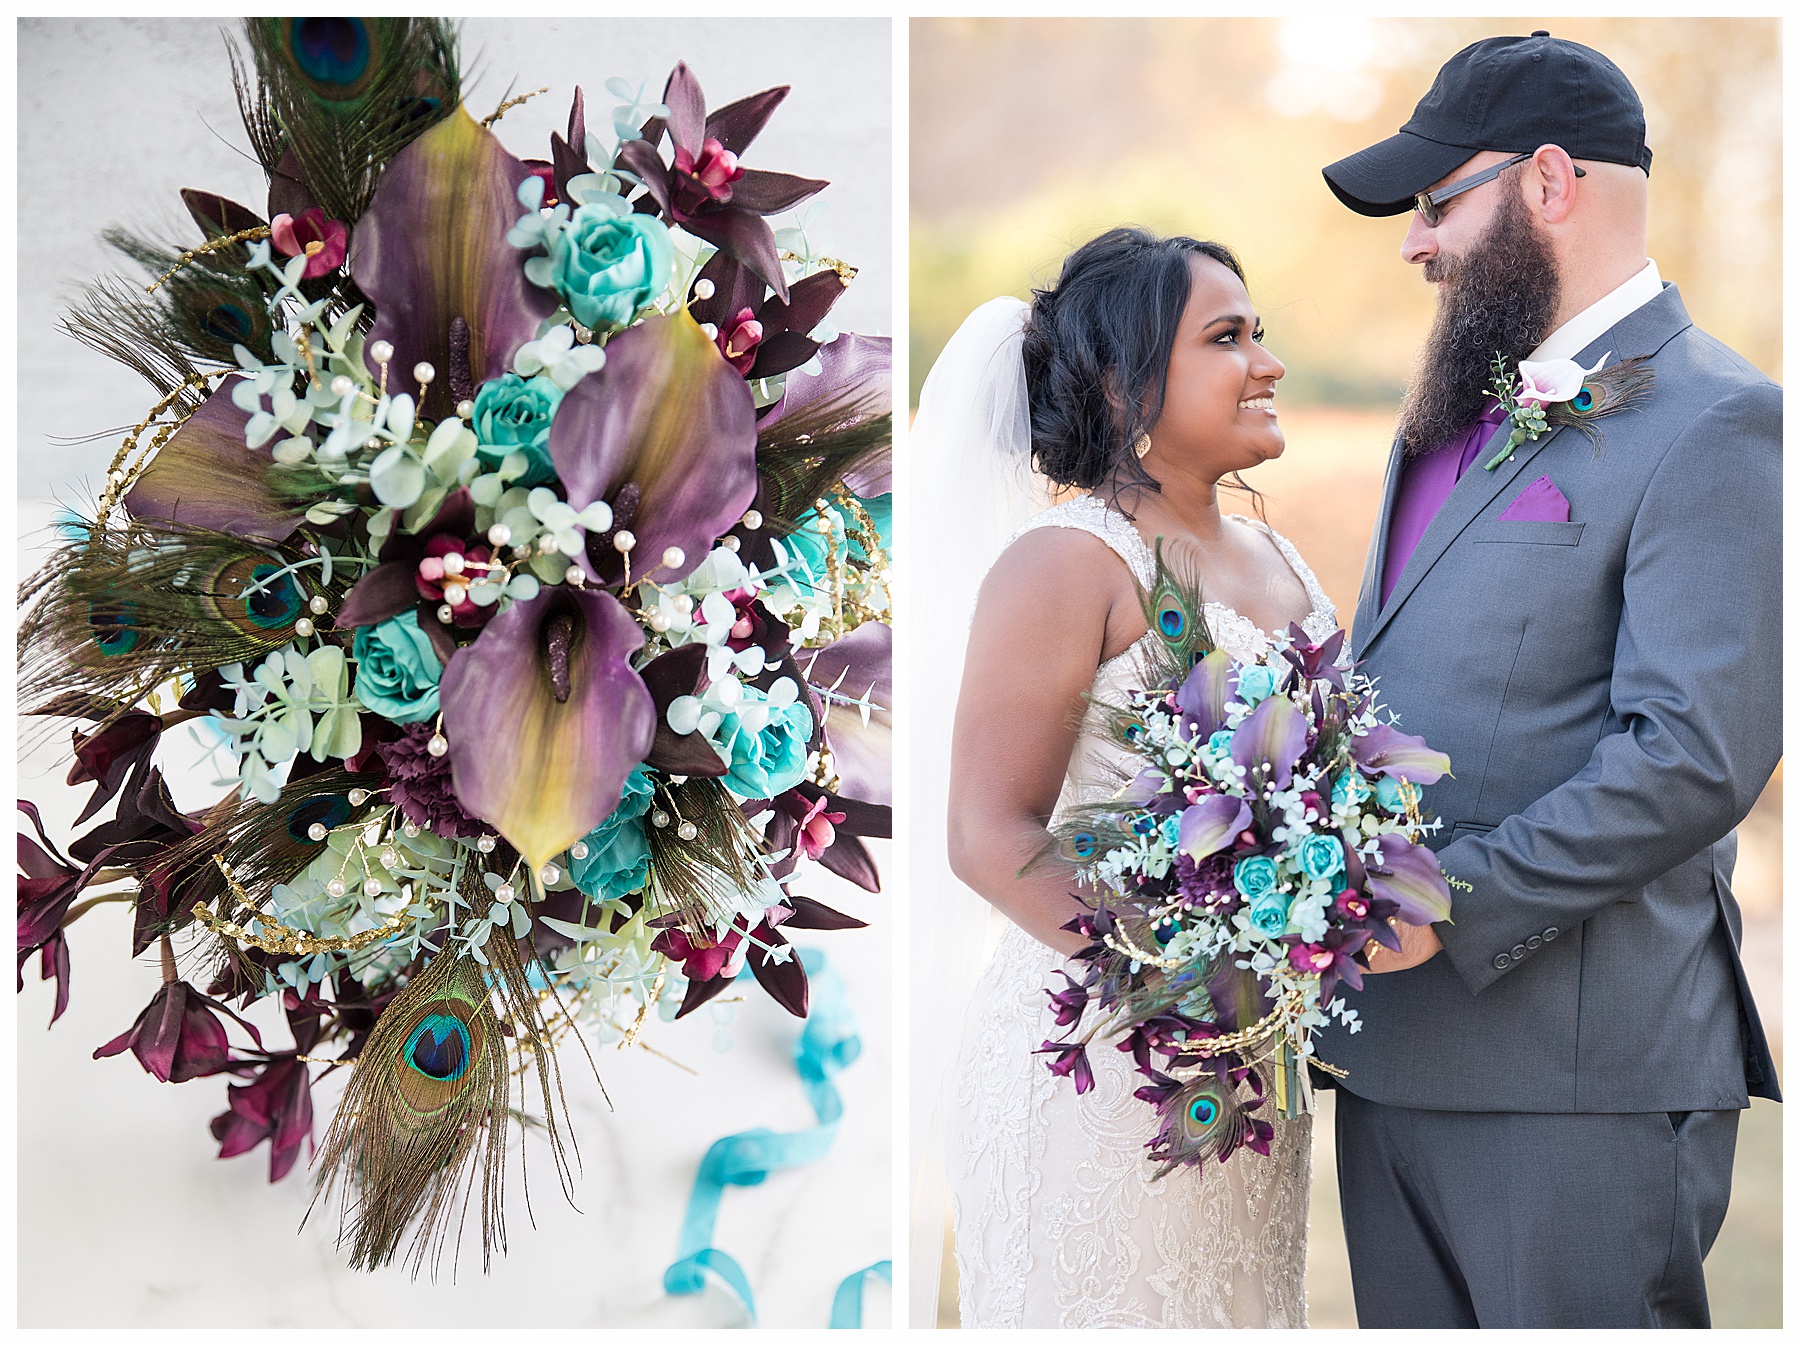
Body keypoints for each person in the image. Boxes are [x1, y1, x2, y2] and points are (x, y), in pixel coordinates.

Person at [1315, 31, 1781, 1329]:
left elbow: (1695, 750)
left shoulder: (1720, 419)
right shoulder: (1445, 418)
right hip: (1391, 1062)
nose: (1415, 242)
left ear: (1550, 182)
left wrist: (1444, 905)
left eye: (1434, 203)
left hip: (1575, 1086)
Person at [929, 228, 1335, 1328]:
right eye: (1227, 337)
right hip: (1105, 1054)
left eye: (1260, 332)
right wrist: (1186, 984)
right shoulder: (1067, 562)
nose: (1268, 363)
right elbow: (989, 832)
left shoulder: (1282, 563)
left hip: (1252, 1072)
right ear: (1125, 384)